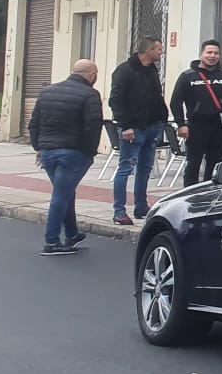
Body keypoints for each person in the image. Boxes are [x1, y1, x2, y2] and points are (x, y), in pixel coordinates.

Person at [31, 60, 103, 255]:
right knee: (61, 195)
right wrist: (90, 152)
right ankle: (51, 242)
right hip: (73, 152)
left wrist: (39, 147)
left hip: (48, 152)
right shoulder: (90, 94)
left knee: (65, 192)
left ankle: (72, 234)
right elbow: (92, 126)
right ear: (91, 74)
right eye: (95, 73)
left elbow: (34, 123)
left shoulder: (47, 92)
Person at [107, 36, 169, 226]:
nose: (161, 52)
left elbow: (155, 96)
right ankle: (119, 211)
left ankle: (141, 206)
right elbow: (116, 100)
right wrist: (125, 125)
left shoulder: (151, 70)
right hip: (132, 128)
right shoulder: (125, 71)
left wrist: (161, 119)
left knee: (145, 168)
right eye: (158, 49)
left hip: (152, 125)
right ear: (148, 51)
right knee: (126, 167)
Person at [170, 40, 222, 185]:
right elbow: (175, 102)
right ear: (201, 54)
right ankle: (188, 196)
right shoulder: (188, 76)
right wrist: (181, 124)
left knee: (216, 164)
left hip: (219, 127)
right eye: (209, 52)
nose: (212, 56)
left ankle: (210, 194)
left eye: (216, 53)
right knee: (193, 164)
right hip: (196, 127)